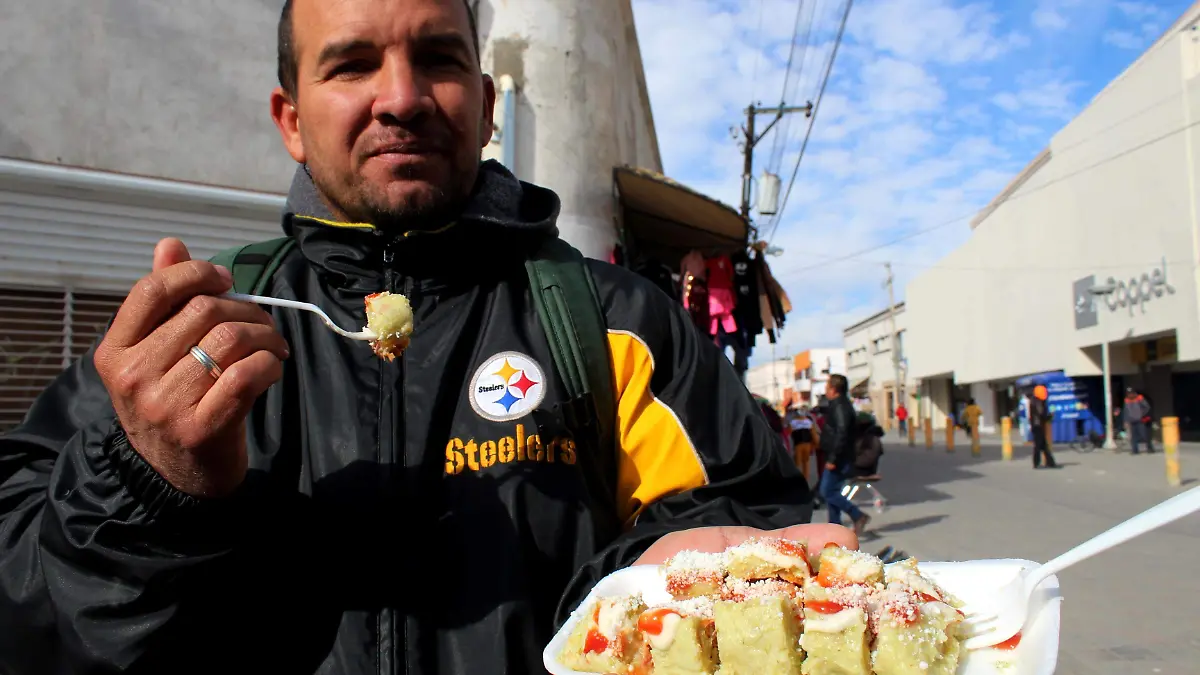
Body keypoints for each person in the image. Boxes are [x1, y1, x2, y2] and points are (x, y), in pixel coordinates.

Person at [0, 1, 856, 673]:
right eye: (352, 63)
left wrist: (660, 579)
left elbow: (743, 524)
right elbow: (29, 616)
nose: (402, 98)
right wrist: (148, 488)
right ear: (290, 117)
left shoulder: (613, 323)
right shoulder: (202, 330)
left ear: (485, 106)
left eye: (439, 58)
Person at [818, 374, 871, 534]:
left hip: (839, 458)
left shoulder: (840, 406)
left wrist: (833, 458)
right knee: (832, 490)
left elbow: (842, 433)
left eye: (827, 387)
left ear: (834, 389)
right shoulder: (838, 405)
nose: (826, 390)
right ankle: (835, 526)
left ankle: (857, 515)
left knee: (826, 491)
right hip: (838, 455)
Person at [1029, 385, 1058, 469]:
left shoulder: (1033, 400)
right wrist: (1050, 416)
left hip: (1035, 425)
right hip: (1038, 426)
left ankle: (1050, 462)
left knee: (1043, 445)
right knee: (1039, 445)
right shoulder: (1038, 401)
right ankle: (1038, 463)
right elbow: (1041, 413)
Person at [1122, 387, 1154, 454]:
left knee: (1144, 435)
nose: (1130, 395)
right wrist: (1125, 421)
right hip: (1132, 420)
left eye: (1131, 393)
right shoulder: (1126, 400)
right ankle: (1135, 450)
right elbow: (1125, 411)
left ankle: (1150, 448)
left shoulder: (1140, 398)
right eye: (1128, 394)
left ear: (1134, 393)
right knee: (1133, 437)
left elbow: (1147, 407)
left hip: (1140, 420)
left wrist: (1142, 414)